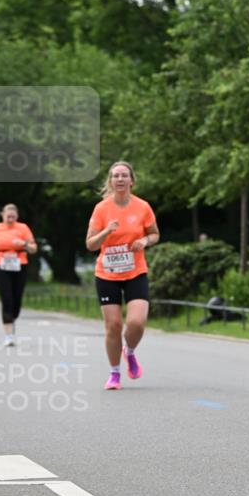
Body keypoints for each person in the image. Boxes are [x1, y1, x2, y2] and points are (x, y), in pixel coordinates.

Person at [86, 161, 160, 390]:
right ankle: (114, 373)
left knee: (136, 322)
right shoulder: (101, 209)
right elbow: (90, 244)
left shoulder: (142, 207)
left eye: (124, 175)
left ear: (131, 180)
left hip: (135, 271)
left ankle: (129, 351)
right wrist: (107, 231)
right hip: (107, 274)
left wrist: (144, 241)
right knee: (114, 325)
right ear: (110, 181)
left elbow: (155, 234)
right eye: (115, 175)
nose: (119, 179)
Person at [0, 204, 37, 347]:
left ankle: (11, 319)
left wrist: (24, 244)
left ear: (17, 216)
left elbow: (33, 248)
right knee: (7, 299)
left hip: (19, 264)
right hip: (0, 264)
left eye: (13, 216)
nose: (10, 218)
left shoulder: (23, 228)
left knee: (16, 300)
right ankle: (9, 335)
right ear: (3, 214)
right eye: (8, 215)